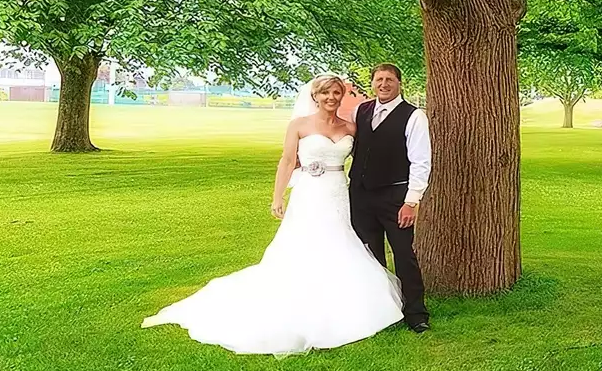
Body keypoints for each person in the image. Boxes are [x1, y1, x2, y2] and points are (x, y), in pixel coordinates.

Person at [142, 74, 403, 354]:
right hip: (309, 194)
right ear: (315, 96)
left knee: (340, 240)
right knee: (303, 243)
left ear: (341, 96)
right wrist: (277, 196)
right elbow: (288, 160)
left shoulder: (350, 127)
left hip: (339, 192)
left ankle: (342, 300)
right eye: (325, 93)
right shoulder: (299, 126)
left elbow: (365, 160)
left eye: (336, 93)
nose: (331, 98)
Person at [351, 63, 431, 331]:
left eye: (389, 80)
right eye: (379, 79)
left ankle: (416, 313)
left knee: (403, 255)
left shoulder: (414, 116)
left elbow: (421, 161)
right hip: (361, 196)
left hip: (396, 197)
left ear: (399, 83)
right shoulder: (361, 111)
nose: (383, 84)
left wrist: (412, 201)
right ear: (372, 83)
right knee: (370, 254)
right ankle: (380, 309)